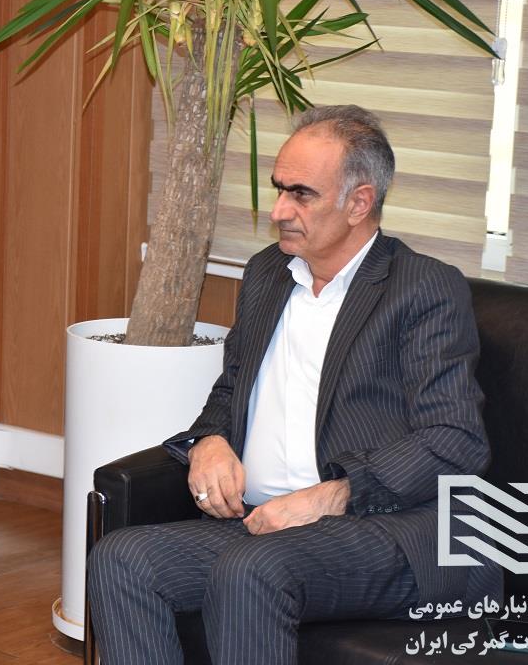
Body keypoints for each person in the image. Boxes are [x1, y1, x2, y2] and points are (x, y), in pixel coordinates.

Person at [87, 105, 500, 665]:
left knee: (252, 570)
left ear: (359, 202)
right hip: (265, 524)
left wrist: (333, 494)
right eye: (279, 189)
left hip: (387, 528)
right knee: (121, 560)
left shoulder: (422, 288)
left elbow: (456, 441)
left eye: (301, 194)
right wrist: (208, 442)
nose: (279, 210)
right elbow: (232, 390)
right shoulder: (268, 274)